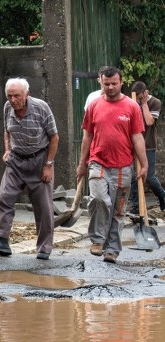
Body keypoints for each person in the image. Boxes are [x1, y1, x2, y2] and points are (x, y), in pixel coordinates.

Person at [77, 66, 146, 264]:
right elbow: (87, 136)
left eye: (114, 83)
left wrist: (144, 164)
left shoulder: (132, 107)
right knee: (99, 199)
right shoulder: (94, 105)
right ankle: (98, 239)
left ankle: (112, 249)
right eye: (106, 83)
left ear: (121, 82)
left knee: (118, 210)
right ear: (100, 82)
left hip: (123, 167)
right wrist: (82, 164)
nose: (110, 87)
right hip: (98, 162)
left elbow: (137, 137)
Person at [0, 78, 58, 260]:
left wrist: (48, 165)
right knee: (4, 197)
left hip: (39, 160)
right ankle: (2, 242)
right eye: (9, 96)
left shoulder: (41, 108)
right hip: (16, 160)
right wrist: (7, 150)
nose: (13, 100)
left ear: (27, 94)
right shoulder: (7, 107)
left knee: (43, 206)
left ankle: (44, 247)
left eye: (17, 96)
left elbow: (54, 137)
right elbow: (6, 131)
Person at [129, 81, 165, 216]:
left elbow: (149, 121)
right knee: (134, 177)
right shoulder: (132, 102)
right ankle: (136, 208)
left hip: (148, 144)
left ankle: (163, 196)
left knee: (149, 176)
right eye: (136, 98)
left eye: (140, 97)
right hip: (133, 145)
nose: (138, 100)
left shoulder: (155, 102)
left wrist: (143, 104)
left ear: (145, 93)